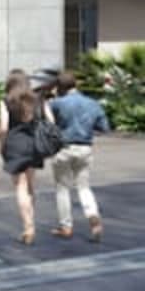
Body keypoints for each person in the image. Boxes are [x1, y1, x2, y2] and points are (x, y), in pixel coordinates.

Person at [49, 71, 109, 242]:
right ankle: (93, 217)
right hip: (85, 148)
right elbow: (104, 127)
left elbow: (47, 123)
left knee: (62, 188)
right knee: (84, 187)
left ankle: (65, 226)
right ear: (76, 85)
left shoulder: (57, 103)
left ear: (59, 87)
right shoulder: (92, 103)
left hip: (63, 149)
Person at [0, 70, 55, 245]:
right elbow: (51, 122)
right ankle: (31, 222)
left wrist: (2, 145)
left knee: (20, 187)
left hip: (15, 146)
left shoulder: (6, 101)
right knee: (30, 186)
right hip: (34, 145)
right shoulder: (38, 99)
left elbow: (3, 128)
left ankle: (28, 227)